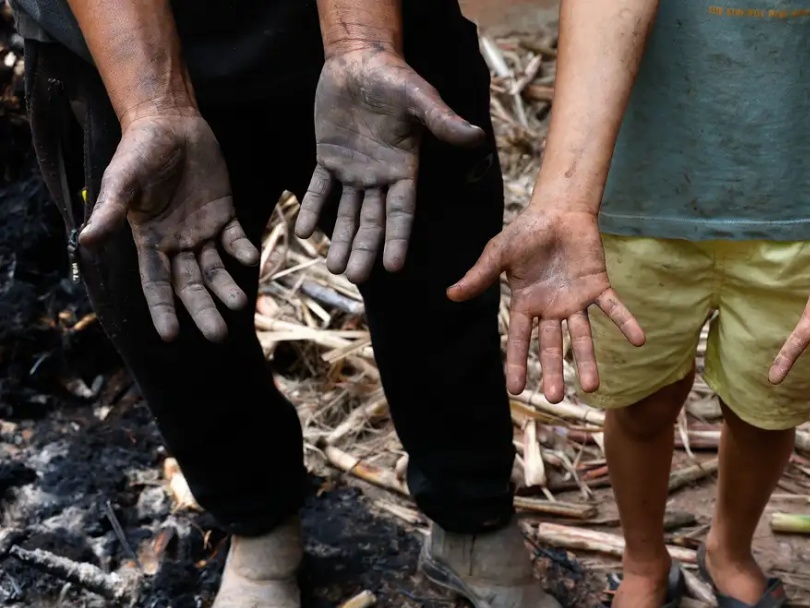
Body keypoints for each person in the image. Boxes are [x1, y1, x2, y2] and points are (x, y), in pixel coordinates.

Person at [11, 0, 560, 606]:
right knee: (168, 311)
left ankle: (473, 520)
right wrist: (152, 104)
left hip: (385, 35)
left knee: (440, 277)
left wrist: (361, 44)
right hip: (112, 45)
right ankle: (257, 524)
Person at [449, 1, 810, 607]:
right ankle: (644, 559)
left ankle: (728, 549)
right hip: (635, 201)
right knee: (641, 405)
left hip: (809, 214)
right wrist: (564, 199)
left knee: (765, 412)